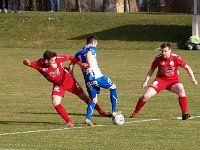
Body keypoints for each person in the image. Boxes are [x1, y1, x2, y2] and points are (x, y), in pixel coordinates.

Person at [23, 50, 111, 128]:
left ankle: (102, 111)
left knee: (85, 98)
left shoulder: (58, 58)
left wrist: (81, 65)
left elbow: (71, 57)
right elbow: (29, 63)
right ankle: (69, 122)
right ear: (46, 60)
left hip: (69, 81)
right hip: (58, 85)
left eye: (55, 59)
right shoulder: (39, 65)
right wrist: (26, 62)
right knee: (55, 102)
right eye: (52, 60)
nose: (55, 61)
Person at [130, 43, 198, 120]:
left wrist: (193, 79)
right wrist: (145, 81)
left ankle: (184, 114)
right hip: (160, 80)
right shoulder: (158, 58)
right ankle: (135, 113)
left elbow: (187, 67)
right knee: (146, 96)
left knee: (181, 89)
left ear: (170, 50)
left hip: (173, 81)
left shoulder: (176, 58)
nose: (163, 53)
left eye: (165, 51)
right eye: (162, 51)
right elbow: (152, 69)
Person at [69, 35, 121, 126]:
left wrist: (72, 76)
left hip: (88, 80)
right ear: (94, 42)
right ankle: (114, 111)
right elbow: (89, 54)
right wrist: (91, 66)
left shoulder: (78, 53)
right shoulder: (92, 48)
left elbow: (71, 65)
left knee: (94, 99)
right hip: (98, 77)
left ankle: (88, 118)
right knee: (113, 87)